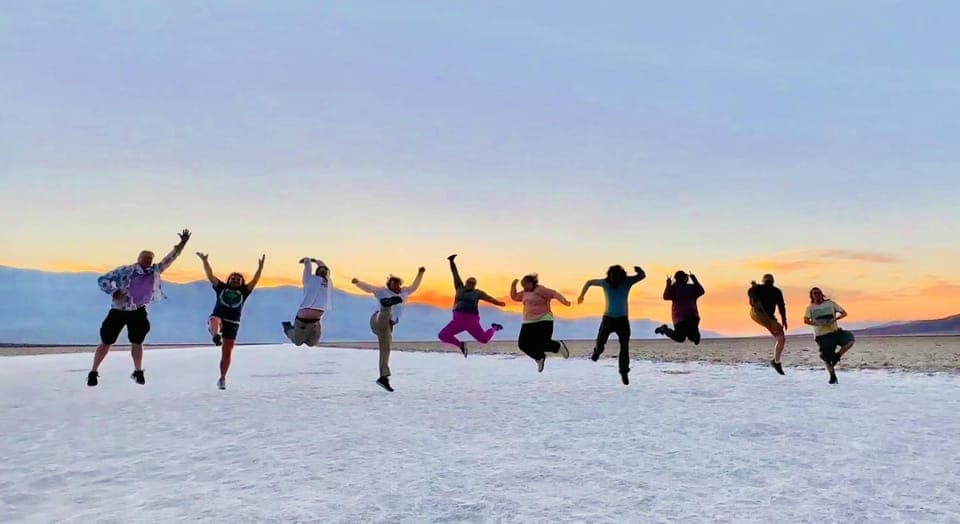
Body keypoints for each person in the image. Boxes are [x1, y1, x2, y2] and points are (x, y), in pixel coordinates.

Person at [87, 229, 191, 387]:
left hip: (138, 311)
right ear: (138, 258)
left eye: (150, 258)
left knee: (138, 341)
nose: (148, 260)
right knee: (106, 341)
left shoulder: (155, 271)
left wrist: (182, 244)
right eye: (145, 258)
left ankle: (138, 371)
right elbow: (102, 279)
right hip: (119, 310)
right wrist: (113, 291)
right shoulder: (126, 270)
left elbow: (170, 259)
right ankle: (93, 372)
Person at [197, 252, 265, 390]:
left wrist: (260, 268)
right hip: (219, 316)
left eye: (238, 279)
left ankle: (222, 378)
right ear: (228, 280)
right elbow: (210, 276)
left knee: (227, 352)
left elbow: (255, 281)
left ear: (241, 283)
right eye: (233, 278)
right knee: (214, 319)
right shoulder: (221, 287)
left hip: (233, 323)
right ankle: (215, 336)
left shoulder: (244, 291)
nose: (235, 280)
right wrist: (205, 261)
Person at [352, 267, 426, 392]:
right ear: (389, 284)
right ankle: (386, 305)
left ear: (400, 285)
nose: (395, 286)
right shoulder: (382, 291)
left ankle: (383, 377)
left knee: (386, 349)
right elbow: (369, 288)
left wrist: (420, 273)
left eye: (397, 284)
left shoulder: (405, 292)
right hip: (377, 320)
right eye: (393, 284)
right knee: (385, 310)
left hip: (388, 326)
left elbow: (415, 285)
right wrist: (358, 282)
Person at [577, 264, 646, 385]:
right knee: (600, 342)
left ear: (621, 277)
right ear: (609, 276)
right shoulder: (605, 282)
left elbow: (642, 276)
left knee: (624, 347)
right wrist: (582, 295)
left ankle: (624, 371)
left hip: (622, 320)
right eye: (612, 277)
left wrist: (639, 271)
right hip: (608, 319)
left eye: (616, 277)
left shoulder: (627, 282)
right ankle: (597, 351)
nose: (614, 279)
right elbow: (589, 282)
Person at [437, 254, 506, 356]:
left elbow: (489, 298)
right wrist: (451, 262)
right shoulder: (459, 287)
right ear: (466, 282)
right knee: (442, 335)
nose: (471, 284)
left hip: (471, 321)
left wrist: (498, 303)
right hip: (457, 321)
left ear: (475, 285)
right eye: (469, 282)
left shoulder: (478, 293)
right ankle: (461, 345)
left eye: (473, 283)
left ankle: (495, 328)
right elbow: (455, 274)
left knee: (484, 339)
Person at [510, 273, 572, 372]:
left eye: (525, 285)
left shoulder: (540, 289)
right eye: (522, 285)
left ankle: (558, 347)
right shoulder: (525, 293)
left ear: (532, 283)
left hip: (544, 319)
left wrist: (564, 301)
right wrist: (513, 285)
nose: (524, 287)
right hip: (528, 322)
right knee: (523, 344)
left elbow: (554, 293)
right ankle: (539, 357)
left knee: (542, 342)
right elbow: (514, 297)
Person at [804, 287, 854, 384]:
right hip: (822, 335)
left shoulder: (830, 303)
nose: (817, 295)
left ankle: (837, 356)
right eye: (815, 293)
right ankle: (833, 376)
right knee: (827, 358)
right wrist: (818, 323)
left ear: (822, 294)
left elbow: (844, 313)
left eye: (819, 293)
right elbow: (806, 320)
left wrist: (834, 319)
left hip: (835, 331)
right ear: (812, 296)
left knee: (850, 340)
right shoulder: (810, 308)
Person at [282, 258, 333, 347]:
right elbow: (308, 270)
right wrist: (307, 261)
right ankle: (288, 328)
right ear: (317, 272)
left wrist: (317, 261)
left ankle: (305, 332)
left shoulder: (327, 282)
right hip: (303, 321)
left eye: (324, 270)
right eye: (321, 270)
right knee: (298, 342)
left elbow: (326, 269)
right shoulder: (309, 280)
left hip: (315, 322)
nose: (324, 271)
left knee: (311, 343)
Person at [748, 274, 788, 375]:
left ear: (772, 282)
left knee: (781, 338)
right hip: (757, 312)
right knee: (779, 335)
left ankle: (776, 361)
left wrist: (784, 319)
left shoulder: (776, 291)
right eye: (767, 282)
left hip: (768, 317)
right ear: (764, 282)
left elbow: (781, 306)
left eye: (770, 282)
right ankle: (776, 362)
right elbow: (751, 299)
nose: (768, 284)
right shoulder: (758, 288)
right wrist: (753, 290)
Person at [655, 270, 705, 345]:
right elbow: (701, 291)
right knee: (694, 338)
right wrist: (694, 279)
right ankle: (665, 330)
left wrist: (668, 284)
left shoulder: (674, 288)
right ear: (686, 278)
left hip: (680, 318)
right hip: (692, 317)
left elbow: (666, 296)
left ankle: (665, 330)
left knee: (680, 338)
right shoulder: (691, 287)